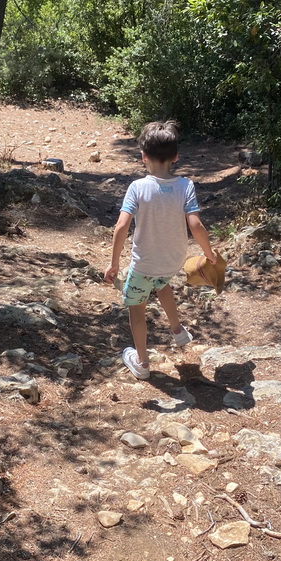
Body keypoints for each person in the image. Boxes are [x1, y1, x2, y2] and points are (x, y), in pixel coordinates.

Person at [103, 120, 217, 380]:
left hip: (144, 264)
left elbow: (121, 227)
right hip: (172, 261)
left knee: (137, 308)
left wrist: (114, 263)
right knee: (162, 284)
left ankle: (142, 363)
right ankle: (177, 330)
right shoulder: (186, 186)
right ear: (176, 156)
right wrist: (209, 253)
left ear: (143, 156)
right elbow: (196, 224)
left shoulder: (137, 188)